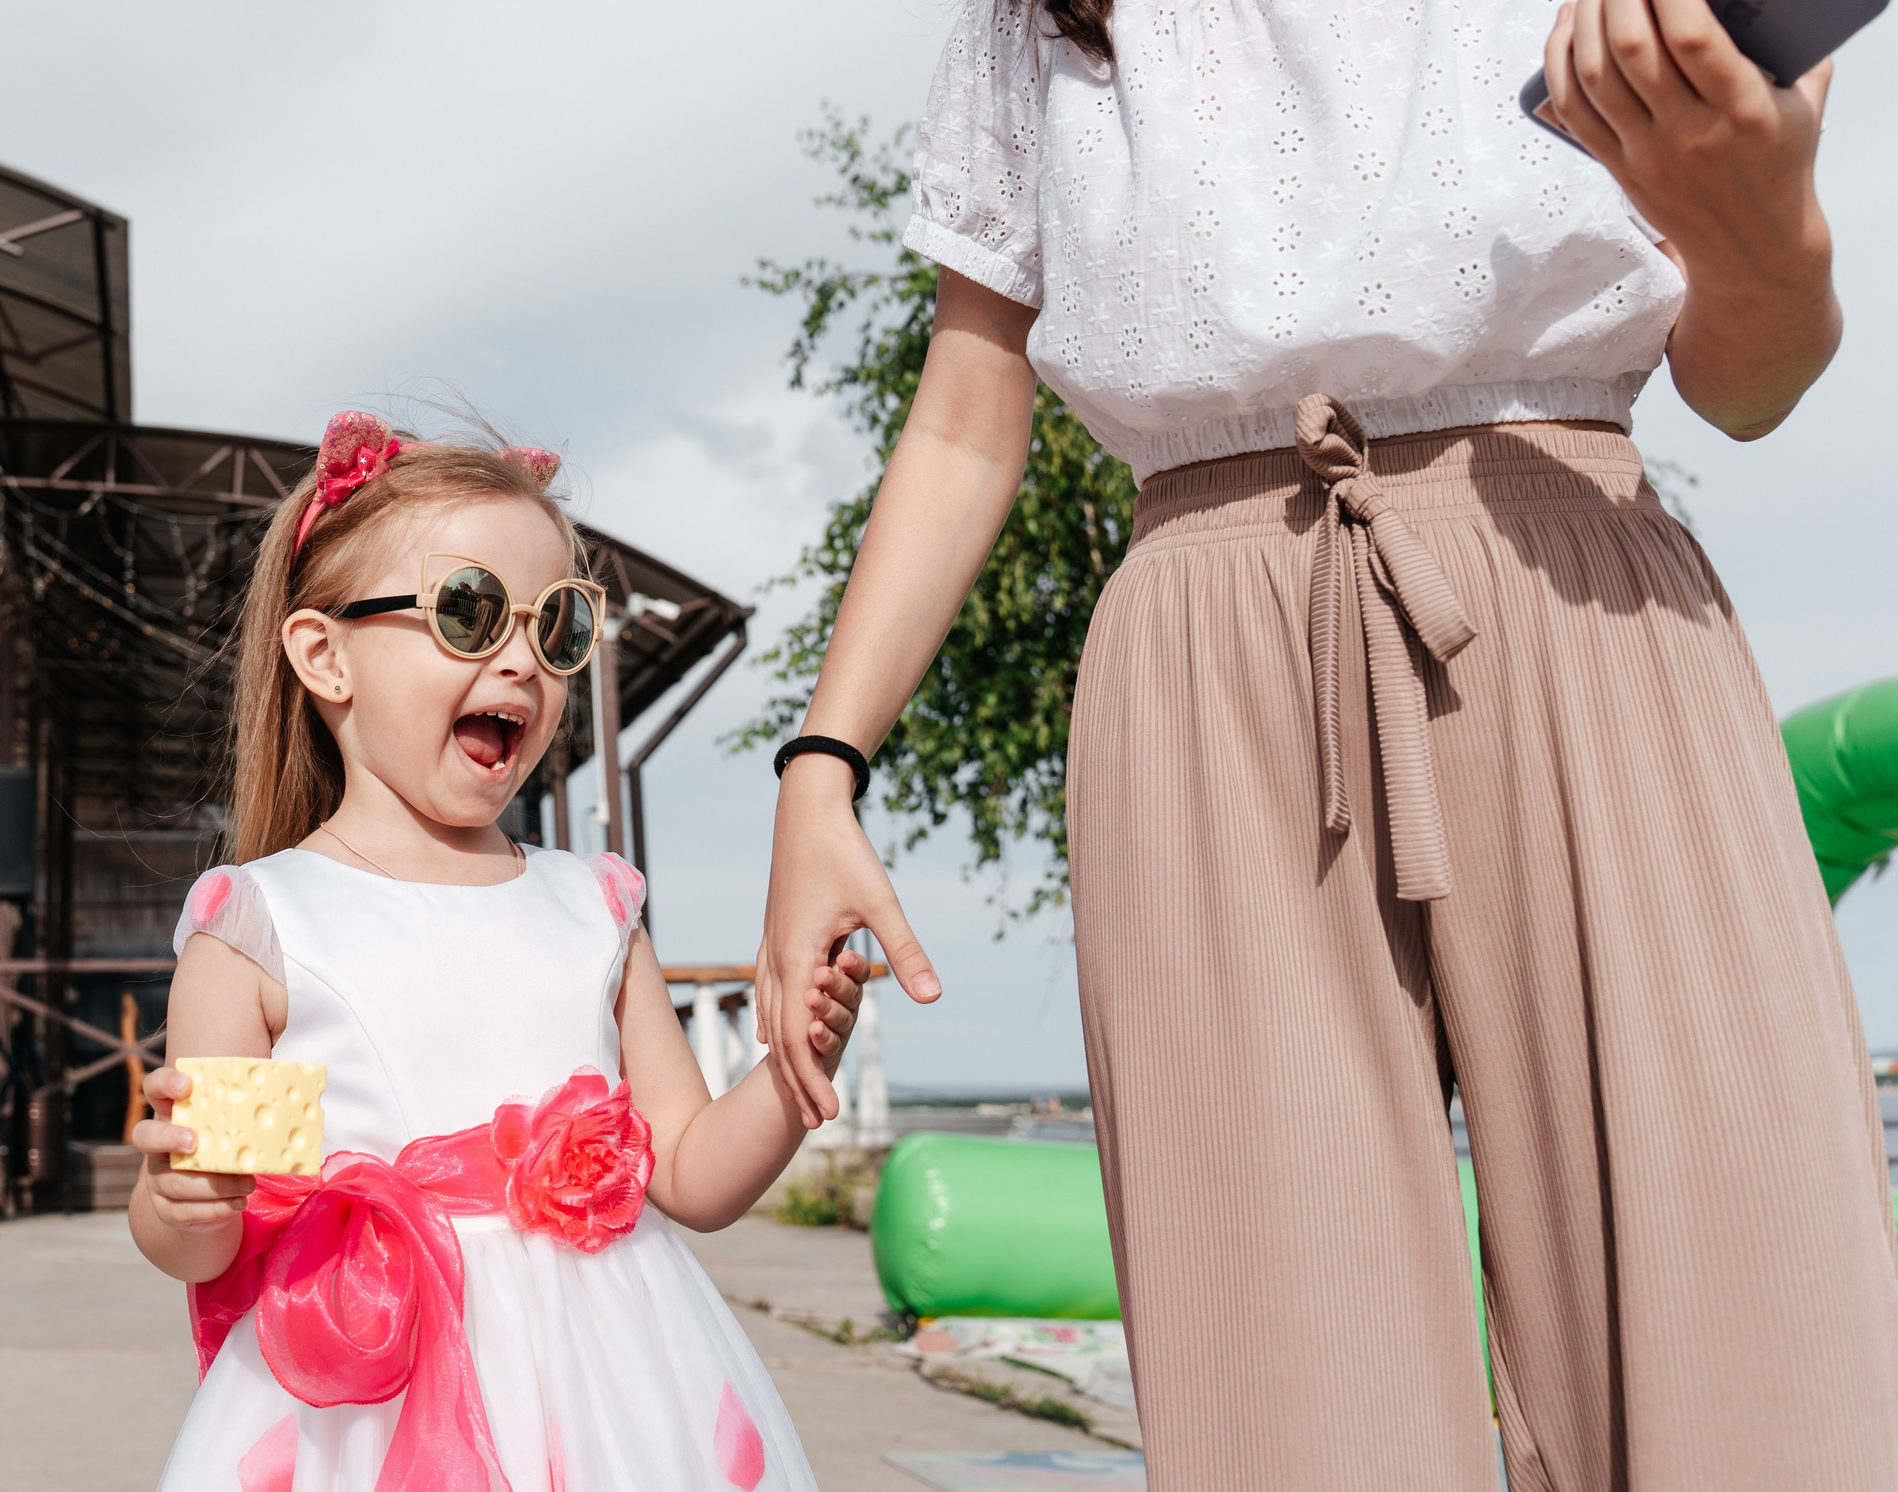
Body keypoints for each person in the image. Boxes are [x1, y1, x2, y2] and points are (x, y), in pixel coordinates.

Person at [754, 1, 1898, 1488]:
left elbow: (1748, 385)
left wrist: (1763, 221)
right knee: (1287, 1393)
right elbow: (965, 421)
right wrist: (821, 768)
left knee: (1742, 1342)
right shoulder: (1040, 22)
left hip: (1582, 597)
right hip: (1208, 673)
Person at [130, 412, 864, 1491]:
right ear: (324, 655)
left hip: (614, 1396)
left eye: (556, 626)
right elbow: (217, 1238)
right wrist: (181, 1205)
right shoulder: (259, 926)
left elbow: (693, 1174)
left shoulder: (597, 908)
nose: (522, 659)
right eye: (469, 612)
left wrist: (795, 1067)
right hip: (367, 1394)